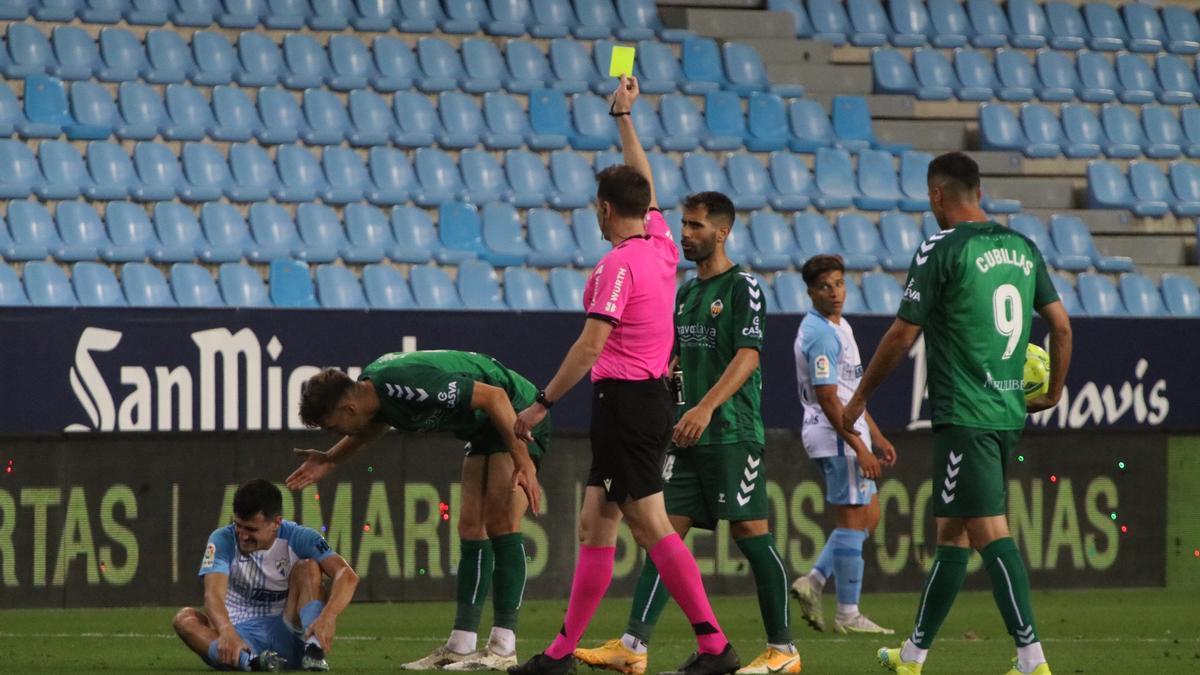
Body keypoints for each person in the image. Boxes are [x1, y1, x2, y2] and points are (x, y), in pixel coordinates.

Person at [508, 76, 738, 675]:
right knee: (597, 522)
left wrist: (541, 404)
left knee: (648, 523)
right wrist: (624, 117)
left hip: (628, 403)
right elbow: (647, 183)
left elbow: (589, 347)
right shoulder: (661, 244)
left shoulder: (618, 265)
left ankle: (714, 644)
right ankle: (562, 651)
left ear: (605, 210)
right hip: (638, 401)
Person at [842, 152, 1072, 675]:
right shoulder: (1023, 247)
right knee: (952, 531)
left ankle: (1032, 657)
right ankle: (912, 656)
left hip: (965, 412)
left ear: (937, 196)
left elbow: (902, 335)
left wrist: (858, 402)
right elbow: (1061, 327)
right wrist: (1054, 391)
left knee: (989, 528)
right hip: (1005, 411)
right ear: (980, 193)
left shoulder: (940, 248)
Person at [573, 191, 798, 675]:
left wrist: (705, 406)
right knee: (662, 533)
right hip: (687, 434)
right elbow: (674, 357)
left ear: (722, 232)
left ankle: (783, 650)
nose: (686, 234)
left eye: (696, 226)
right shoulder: (688, 292)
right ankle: (634, 645)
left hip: (732, 430)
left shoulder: (745, 287)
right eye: (684, 224)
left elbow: (748, 356)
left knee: (751, 533)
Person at [286, 350, 547, 672]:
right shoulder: (375, 394)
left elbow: (494, 396)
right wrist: (330, 458)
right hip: (483, 429)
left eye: (334, 426)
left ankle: (503, 646)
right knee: (471, 527)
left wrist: (523, 460)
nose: (338, 434)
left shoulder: (406, 384)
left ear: (348, 407)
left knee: (502, 524)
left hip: (517, 413)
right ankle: (462, 644)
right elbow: (373, 428)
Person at [790, 254, 897, 636]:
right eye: (824, 286)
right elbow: (829, 400)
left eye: (838, 283)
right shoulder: (819, 334)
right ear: (810, 292)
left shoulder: (842, 326)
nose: (834, 292)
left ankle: (815, 580)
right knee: (853, 519)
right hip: (835, 435)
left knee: (869, 516)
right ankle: (848, 614)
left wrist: (877, 435)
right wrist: (860, 446)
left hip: (849, 432)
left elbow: (851, 393)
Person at [172, 479, 359, 672]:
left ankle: (314, 651)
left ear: (276, 523)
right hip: (238, 640)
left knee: (308, 567)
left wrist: (328, 616)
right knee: (184, 619)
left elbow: (346, 575)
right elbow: (213, 596)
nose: (242, 535)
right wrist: (227, 631)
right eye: (238, 525)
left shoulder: (300, 537)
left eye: (251, 529)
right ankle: (253, 662)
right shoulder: (222, 539)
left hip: (290, 635)